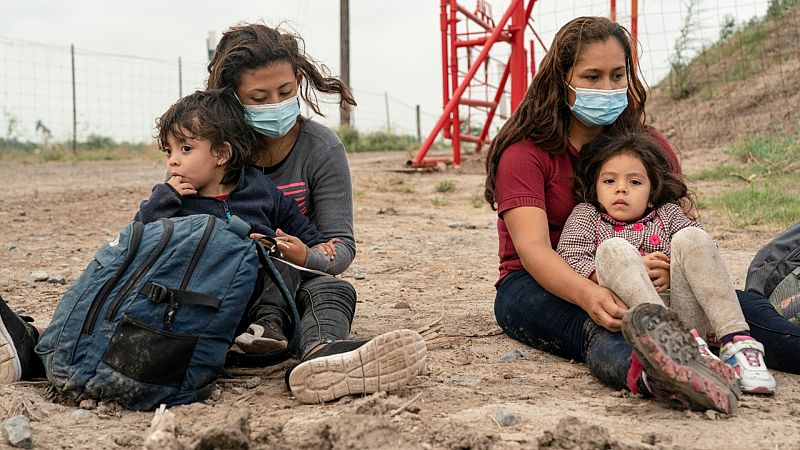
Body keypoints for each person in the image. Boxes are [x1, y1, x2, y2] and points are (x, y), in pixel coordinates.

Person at [485, 16, 741, 413]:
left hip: (649, 281)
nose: (607, 88)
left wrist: (676, 270)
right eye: (591, 77)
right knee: (607, 325)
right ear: (562, 79)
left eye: (617, 75)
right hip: (539, 284)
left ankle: (750, 351)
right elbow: (534, 251)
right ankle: (663, 379)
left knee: (740, 309)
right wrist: (590, 293)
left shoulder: (648, 146)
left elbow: (688, 229)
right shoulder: (524, 154)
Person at [206, 22, 426, 403]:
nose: (275, 105)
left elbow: (340, 246)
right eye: (259, 97)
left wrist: (303, 254)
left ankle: (322, 354)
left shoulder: (321, 148)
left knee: (333, 289)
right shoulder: (211, 148)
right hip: (227, 281)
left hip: (297, 284)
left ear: (299, 83)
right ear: (232, 99)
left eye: (285, 92)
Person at [556, 130, 775, 394]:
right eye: (609, 181)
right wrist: (630, 268)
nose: (621, 188)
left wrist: (671, 269)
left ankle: (737, 343)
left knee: (693, 236)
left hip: (687, 314)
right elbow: (569, 255)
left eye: (635, 182)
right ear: (596, 189)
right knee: (613, 249)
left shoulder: (668, 214)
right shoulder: (587, 215)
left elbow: (706, 254)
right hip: (639, 317)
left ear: (651, 194)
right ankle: (675, 346)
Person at [136, 88, 333, 351]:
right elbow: (138, 235)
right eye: (168, 151)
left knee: (280, 260)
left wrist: (316, 243)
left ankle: (267, 327)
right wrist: (164, 197)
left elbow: (292, 219)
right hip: (205, 295)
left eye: (185, 148)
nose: (172, 161)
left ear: (222, 154)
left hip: (256, 292)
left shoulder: (257, 188)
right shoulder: (175, 200)